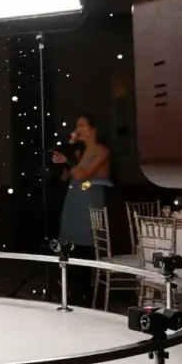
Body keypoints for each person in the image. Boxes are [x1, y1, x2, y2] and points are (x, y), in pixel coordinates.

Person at [51, 114, 111, 306]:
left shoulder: (102, 151)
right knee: (71, 248)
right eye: (76, 126)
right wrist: (66, 152)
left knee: (87, 247)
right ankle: (69, 291)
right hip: (74, 203)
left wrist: (68, 160)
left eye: (82, 126)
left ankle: (85, 294)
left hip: (89, 203)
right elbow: (67, 177)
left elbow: (83, 174)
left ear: (93, 129)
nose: (78, 130)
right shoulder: (79, 153)